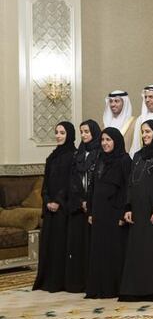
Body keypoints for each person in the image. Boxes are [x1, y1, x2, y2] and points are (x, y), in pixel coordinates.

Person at [119, 120, 153, 301]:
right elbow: (130, 184)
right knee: (137, 250)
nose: (144, 135)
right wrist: (128, 207)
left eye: (148, 132)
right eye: (142, 132)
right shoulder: (138, 155)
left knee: (152, 249)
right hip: (137, 210)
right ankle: (134, 290)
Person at [85, 127, 131, 299]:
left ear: (116, 141)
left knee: (114, 251)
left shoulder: (124, 160)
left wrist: (123, 212)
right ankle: (99, 288)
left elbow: (127, 187)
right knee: (98, 250)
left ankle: (113, 288)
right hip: (99, 212)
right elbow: (93, 186)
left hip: (115, 213)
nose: (105, 143)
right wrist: (90, 210)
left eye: (108, 140)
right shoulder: (100, 159)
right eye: (103, 140)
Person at [33, 121, 76, 293]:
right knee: (48, 244)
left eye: (62, 133)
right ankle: (46, 280)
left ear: (69, 135)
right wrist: (47, 199)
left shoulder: (73, 155)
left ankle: (58, 282)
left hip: (62, 208)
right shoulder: (52, 156)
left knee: (60, 244)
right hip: (50, 207)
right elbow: (46, 183)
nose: (58, 135)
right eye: (57, 132)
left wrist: (57, 201)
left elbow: (70, 183)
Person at [64, 119, 101, 293]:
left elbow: (98, 181)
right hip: (79, 206)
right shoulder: (78, 153)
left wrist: (90, 201)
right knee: (78, 245)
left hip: (95, 205)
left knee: (92, 245)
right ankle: (77, 282)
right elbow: (73, 180)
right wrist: (81, 201)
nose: (84, 135)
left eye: (87, 131)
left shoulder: (100, 153)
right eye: (82, 132)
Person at [130, 85, 153, 157]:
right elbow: (136, 144)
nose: (147, 100)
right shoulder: (140, 119)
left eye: (151, 97)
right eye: (145, 97)